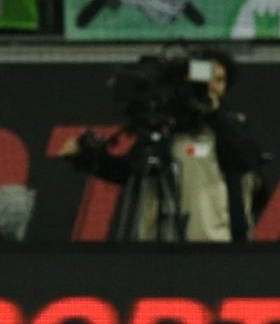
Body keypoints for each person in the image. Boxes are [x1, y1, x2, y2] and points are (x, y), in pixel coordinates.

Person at [59, 48, 267, 243]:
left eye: (219, 80)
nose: (211, 86)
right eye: (205, 77)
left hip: (218, 245)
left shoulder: (232, 126)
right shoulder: (168, 126)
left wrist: (214, 115)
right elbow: (136, 172)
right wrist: (87, 158)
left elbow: (247, 160)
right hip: (168, 248)